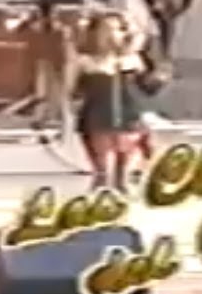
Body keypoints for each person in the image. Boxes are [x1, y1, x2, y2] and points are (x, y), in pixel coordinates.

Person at [66, 11, 158, 193]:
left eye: (116, 29)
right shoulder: (86, 62)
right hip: (97, 117)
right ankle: (99, 201)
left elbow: (147, 89)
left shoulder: (132, 60)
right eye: (106, 29)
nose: (111, 34)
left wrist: (153, 74)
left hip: (127, 116)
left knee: (123, 171)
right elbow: (73, 91)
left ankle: (121, 196)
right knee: (102, 171)